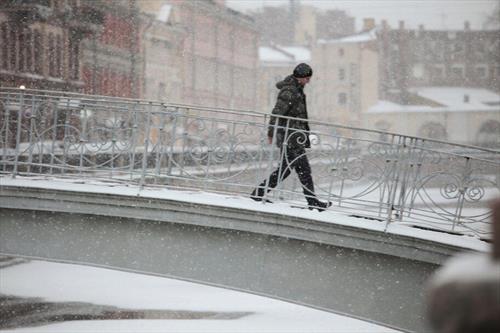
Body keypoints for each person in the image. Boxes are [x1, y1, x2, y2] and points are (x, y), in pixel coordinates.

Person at [251, 63, 332, 212]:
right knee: (293, 170)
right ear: (300, 77)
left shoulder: (297, 90)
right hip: (289, 137)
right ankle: (258, 194)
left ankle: (259, 193)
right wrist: (271, 133)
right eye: (307, 78)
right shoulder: (289, 91)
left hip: (295, 137)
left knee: (297, 169)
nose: (308, 81)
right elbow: (277, 113)